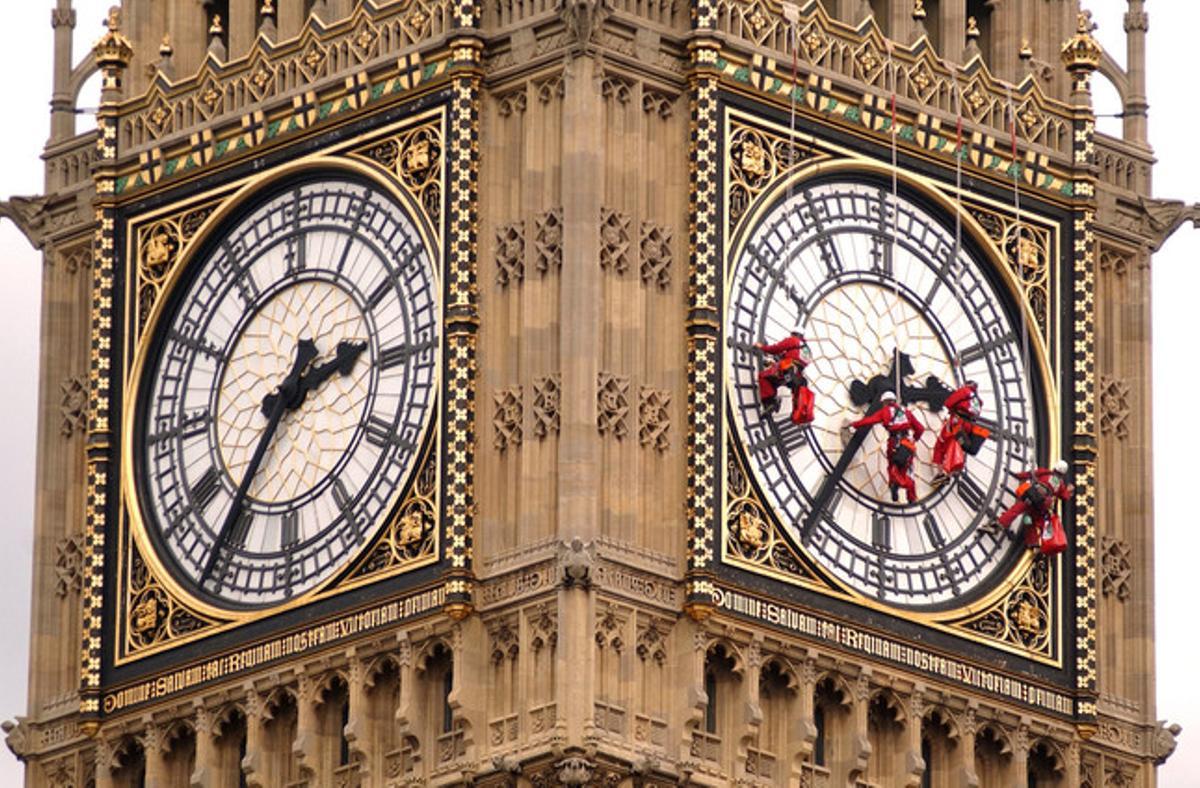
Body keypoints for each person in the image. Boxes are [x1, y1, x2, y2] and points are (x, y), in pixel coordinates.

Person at [851, 391, 925, 503]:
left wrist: (854, 424)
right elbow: (920, 428)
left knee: (892, 466)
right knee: (908, 469)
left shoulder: (884, 411)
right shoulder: (906, 412)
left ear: (884, 402)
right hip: (907, 443)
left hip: (894, 443)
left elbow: (870, 420)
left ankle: (894, 484)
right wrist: (914, 438)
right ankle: (911, 497)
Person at [997, 460, 1073, 555]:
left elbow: (1029, 474)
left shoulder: (1045, 472)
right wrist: (1069, 491)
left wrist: (1017, 475)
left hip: (1032, 496)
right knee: (1030, 520)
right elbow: (1064, 496)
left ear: (1055, 468)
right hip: (1042, 505)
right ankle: (1033, 543)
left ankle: (1000, 523)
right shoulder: (1060, 484)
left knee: (1016, 510)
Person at [755, 331, 815, 425]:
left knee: (764, 377)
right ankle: (775, 402)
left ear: (794, 334)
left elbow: (776, 349)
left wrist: (762, 347)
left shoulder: (793, 340)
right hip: (796, 377)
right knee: (775, 381)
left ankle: (771, 402)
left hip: (787, 369)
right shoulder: (807, 349)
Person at [932, 381, 991, 476]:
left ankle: (940, 473)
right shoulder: (978, 401)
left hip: (956, 422)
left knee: (941, 444)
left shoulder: (964, 391)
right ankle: (950, 473)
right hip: (967, 427)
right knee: (955, 448)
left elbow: (948, 403)